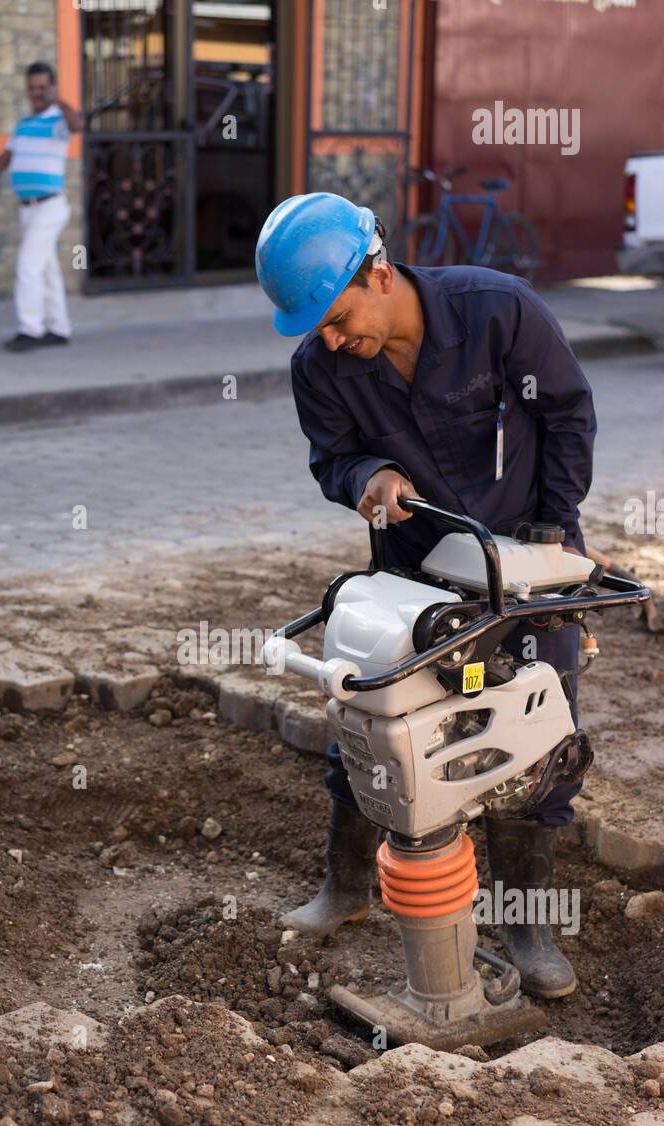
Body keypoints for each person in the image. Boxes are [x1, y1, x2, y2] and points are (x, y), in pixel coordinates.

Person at [255, 191, 596, 999]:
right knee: (370, 722)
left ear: (376, 271)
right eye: (318, 331)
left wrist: (551, 535)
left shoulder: (495, 313)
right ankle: (346, 888)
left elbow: (569, 415)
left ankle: (524, 927)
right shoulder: (322, 367)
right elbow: (332, 459)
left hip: (525, 558)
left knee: (535, 739)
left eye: (338, 319)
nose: (333, 341)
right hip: (414, 570)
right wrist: (367, 478)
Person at [0, 62, 84, 352]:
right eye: (33, 88)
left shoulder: (59, 121)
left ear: (51, 87)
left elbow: (79, 124)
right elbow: (4, 160)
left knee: (28, 265)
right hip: (28, 208)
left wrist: (59, 101)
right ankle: (59, 328)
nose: (37, 93)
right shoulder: (24, 124)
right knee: (47, 268)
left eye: (42, 87)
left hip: (49, 206)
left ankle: (31, 329)